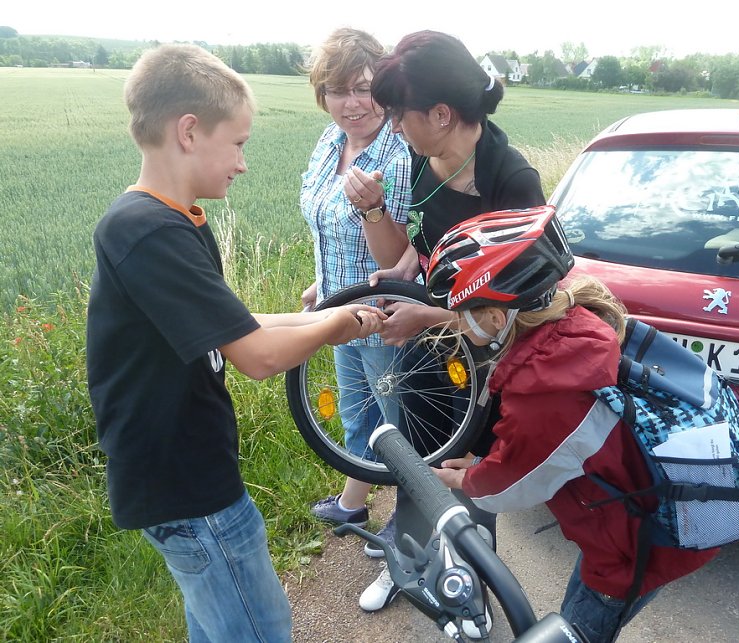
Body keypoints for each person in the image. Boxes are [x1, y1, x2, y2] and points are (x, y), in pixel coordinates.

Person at [85, 43, 385, 643]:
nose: (243, 163)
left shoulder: (178, 219)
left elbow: (237, 324)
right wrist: (342, 327)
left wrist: (333, 310)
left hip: (191, 476)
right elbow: (258, 356)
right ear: (189, 131)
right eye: (239, 143)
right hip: (186, 487)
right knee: (258, 630)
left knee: (223, 626)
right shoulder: (145, 233)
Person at [426, 205, 720, 643]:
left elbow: (503, 488)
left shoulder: (547, 395)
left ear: (494, 317)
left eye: (460, 314)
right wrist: (489, 457)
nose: (456, 326)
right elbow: (540, 448)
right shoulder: (569, 329)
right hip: (634, 517)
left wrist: (463, 479)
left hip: (632, 547)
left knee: (579, 627)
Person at [353, 29, 546, 622]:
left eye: (398, 114)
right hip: (430, 351)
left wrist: (428, 314)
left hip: (489, 360)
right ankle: (403, 565)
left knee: (469, 478)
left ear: (441, 113)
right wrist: (373, 210)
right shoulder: (420, 160)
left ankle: (472, 596)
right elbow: (412, 254)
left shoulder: (513, 182)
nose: (392, 128)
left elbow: (523, 305)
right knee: (415, 459)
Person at [300, 27, 411, 554]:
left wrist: (372, 210)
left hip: (389, 317)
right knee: (357, 413)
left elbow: (401, 259)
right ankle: (353, 500)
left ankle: (412, 518)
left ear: (384, 90)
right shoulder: (330, 143)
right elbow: (324, 223)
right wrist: (321, 283)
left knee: (401, 422)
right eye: (337, 89)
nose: (351, 103)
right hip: (340, 310)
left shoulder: (400, 151)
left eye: (364, 87)